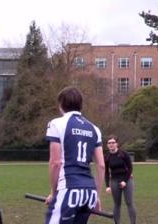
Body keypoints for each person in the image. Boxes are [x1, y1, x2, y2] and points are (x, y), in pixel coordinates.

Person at [45, 86, 105, 224]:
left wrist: (53, 193)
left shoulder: (56, 124)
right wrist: (96, 196)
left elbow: (55, 163)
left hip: (69, 188)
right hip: (89, 192)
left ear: (61, 104)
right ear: (80, 105)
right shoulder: (94, 129)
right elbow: (101, 165)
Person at [105, 135, 136, 224]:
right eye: (109, 143)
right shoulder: (107, 157)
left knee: (129, 202)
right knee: (117, 204)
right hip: (114, 181)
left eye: (113, 143)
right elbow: (106, 172)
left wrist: (125, 181)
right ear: (107, 145)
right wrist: (107, 185)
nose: (111, 144)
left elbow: (130, 168)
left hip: (127, 179)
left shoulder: (123, 154)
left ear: (117, 144)